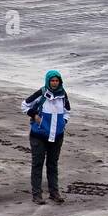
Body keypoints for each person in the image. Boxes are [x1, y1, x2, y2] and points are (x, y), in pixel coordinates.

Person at [21, 70, 70, 204]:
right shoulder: (41, 93)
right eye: (52, 81)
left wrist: (63, 123)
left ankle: (54, 193)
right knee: (38, 164)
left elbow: (67, 111)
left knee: (52, 165)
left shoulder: (63, 94)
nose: (54, 83)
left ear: (60, 81)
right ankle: (37, 195)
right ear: (48, 81)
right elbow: (24, 105)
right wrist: (34, 115)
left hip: (57, 136)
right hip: (39, 135)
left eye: (56, 81)